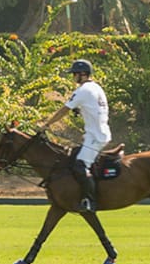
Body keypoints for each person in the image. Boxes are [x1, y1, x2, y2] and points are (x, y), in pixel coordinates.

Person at [42, 57, 111, 214]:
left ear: (82, 74)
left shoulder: (83, 91)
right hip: (97, 133)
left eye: (75, 74)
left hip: (96, 136)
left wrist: (46, 125)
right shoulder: (96, 87)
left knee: (80, 165)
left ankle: (89, 201)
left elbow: (64, 110)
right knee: (74, 159)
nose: (73, 77)